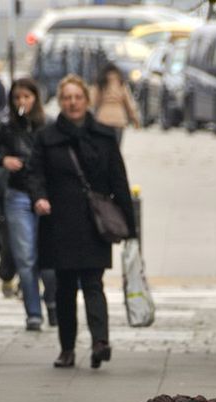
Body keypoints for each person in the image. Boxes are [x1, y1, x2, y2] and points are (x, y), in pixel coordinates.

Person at [29, 74, 137, 369]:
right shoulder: (47, 138)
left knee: (93, 282)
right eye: (67, 98)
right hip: (59, 221)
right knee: (64, 287)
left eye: (77, 97)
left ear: (86, 101)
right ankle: (67, 349)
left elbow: (119, 179)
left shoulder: (103, 136)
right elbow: (34, 173)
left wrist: (130, 224)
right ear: (60, 102)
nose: (72, 102)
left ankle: (100, 342)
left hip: (94, 222)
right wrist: (38, 197)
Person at [0, 78, 56, 331]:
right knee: (25, 257)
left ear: (36, 98)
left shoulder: (48, 126)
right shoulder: (6, 127)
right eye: (17, 98)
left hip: (46, 195)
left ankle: (53, 303)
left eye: (27, 96)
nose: (22, 102)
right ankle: (33, 312)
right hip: (18, 194)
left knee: (49, 258)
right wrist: (3, 160)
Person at [91, 63, 140, 145]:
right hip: (119, 120)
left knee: (103, 148)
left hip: (103, 120)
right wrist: (135, 119)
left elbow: (92, 101)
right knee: (116, 149)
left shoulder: (100, 84)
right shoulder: (121, 84)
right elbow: (129, 105)